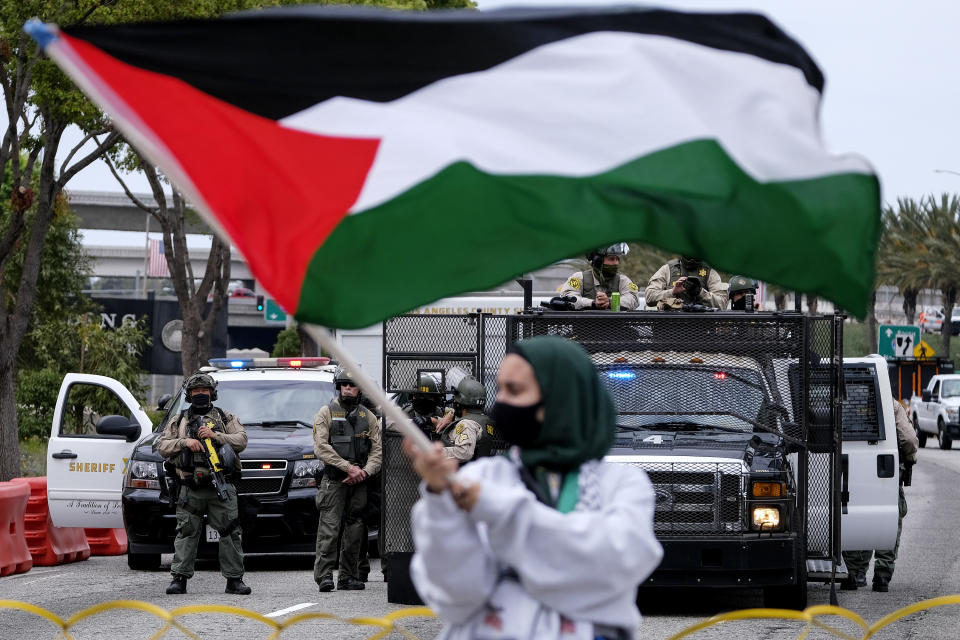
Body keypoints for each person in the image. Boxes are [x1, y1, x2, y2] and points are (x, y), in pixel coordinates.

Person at [405, 336, 663, 639]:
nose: (501, 404)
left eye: (514, 390)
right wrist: (440, 504)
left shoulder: (622, 485)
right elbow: (456, 599)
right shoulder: (484, 477)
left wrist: (502, 512)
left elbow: (612, 564)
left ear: (561, 398)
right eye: (500, 390)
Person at [156, 372, 250, 596]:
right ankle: (179, 578)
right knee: (186, 532)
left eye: (204, 391)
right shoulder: (179, 420)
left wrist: (216, 436)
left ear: (212, 393)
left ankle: (234, 580)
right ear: (189, 395)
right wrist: (185, 442)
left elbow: (242, 440)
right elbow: (162, 446)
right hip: (190, 487)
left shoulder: (225, 418)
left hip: (221, 484)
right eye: (196, 391)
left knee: (230, 531)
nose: (200, 394)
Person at [312, 366, 382, 592]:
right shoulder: (326, 413)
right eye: (344, 385)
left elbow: (377, 451)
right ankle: (324, 576)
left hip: (359, 483)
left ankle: (348, 576)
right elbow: (321, 448)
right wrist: (347, 468)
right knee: (329, 529)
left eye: (352, 385)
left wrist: (364, 472)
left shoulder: (368, 417)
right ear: (338, 387)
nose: (348, 389)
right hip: (334, 481)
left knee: (355, 530)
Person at [841, 399, 918, 592]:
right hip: (885, 469)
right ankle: (882, 576)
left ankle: (854, 573)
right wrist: (909, 458)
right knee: (889, 518)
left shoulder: (842, 402)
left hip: (849, 469)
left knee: (854, 516)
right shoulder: (890, 404)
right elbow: (908, 439)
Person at [559, 243, 641, 310]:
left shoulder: (623, 280)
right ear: (598, 261)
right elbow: (567, 297)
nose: (616, 263)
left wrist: (610, 302)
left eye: (617, 259)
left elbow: (633, 299)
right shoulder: (579, 278)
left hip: (616, 328)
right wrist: (593, 303)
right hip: (584, 328)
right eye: (611, 259)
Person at [431, 376, 487, 462]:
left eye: (456, 401)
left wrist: (433, 451)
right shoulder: (482, 419)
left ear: (459, 404)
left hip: (463, 472)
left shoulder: (467, 424)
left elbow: (463, 453)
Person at [645, 255, 727, 309]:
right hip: (669, 327)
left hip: (700, 329)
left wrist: (700, 292)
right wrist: (672, 291)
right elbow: (649, 297)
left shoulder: (710, 272)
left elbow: (722, 303)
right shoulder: (667, 269)